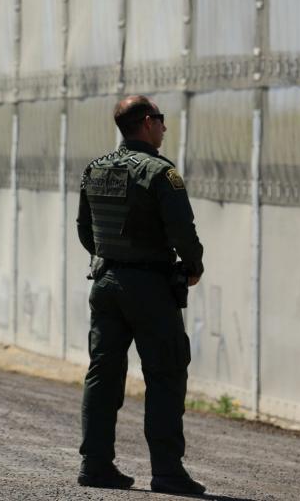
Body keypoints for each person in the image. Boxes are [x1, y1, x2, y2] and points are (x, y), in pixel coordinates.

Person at [75, 95, 207, 496]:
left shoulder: (95, 168)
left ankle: (95, 464)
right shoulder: (159, 173)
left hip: (106, 283)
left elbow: (86, 231)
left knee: (103, 374)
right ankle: (167, 472)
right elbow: (183, 231)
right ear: (148, 122)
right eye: (162, 120)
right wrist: (193, 265)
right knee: (165, 375)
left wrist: (112, 258)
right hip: (149, 287)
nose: (165, 128)